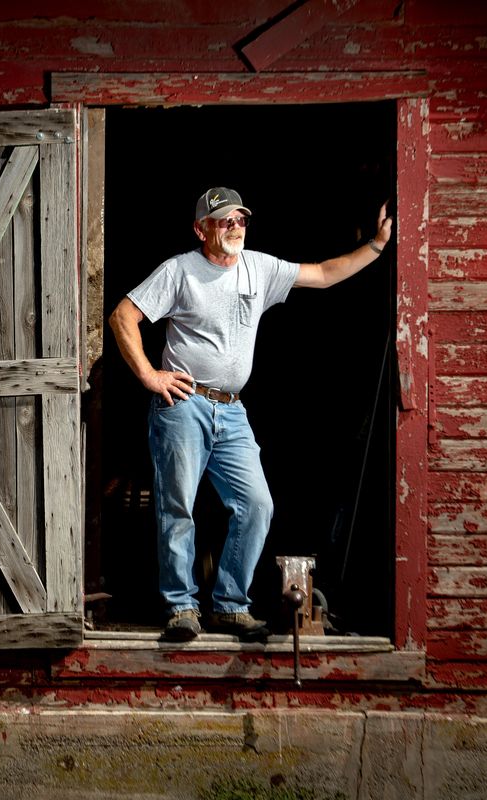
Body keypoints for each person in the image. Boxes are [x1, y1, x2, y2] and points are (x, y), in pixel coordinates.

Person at [108, 187, 393, 642]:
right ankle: (181, 607)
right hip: (183, 403)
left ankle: (229, 604)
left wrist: (376, 246)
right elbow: (123, 316)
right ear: (201, 229)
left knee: (257, 505)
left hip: (232, 411)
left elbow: (321, 274)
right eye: (224, 221)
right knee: (177, 507)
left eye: (240, 219)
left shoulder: (259, 268)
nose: (235, 227)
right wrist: (149, 375)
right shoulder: (180, 270)